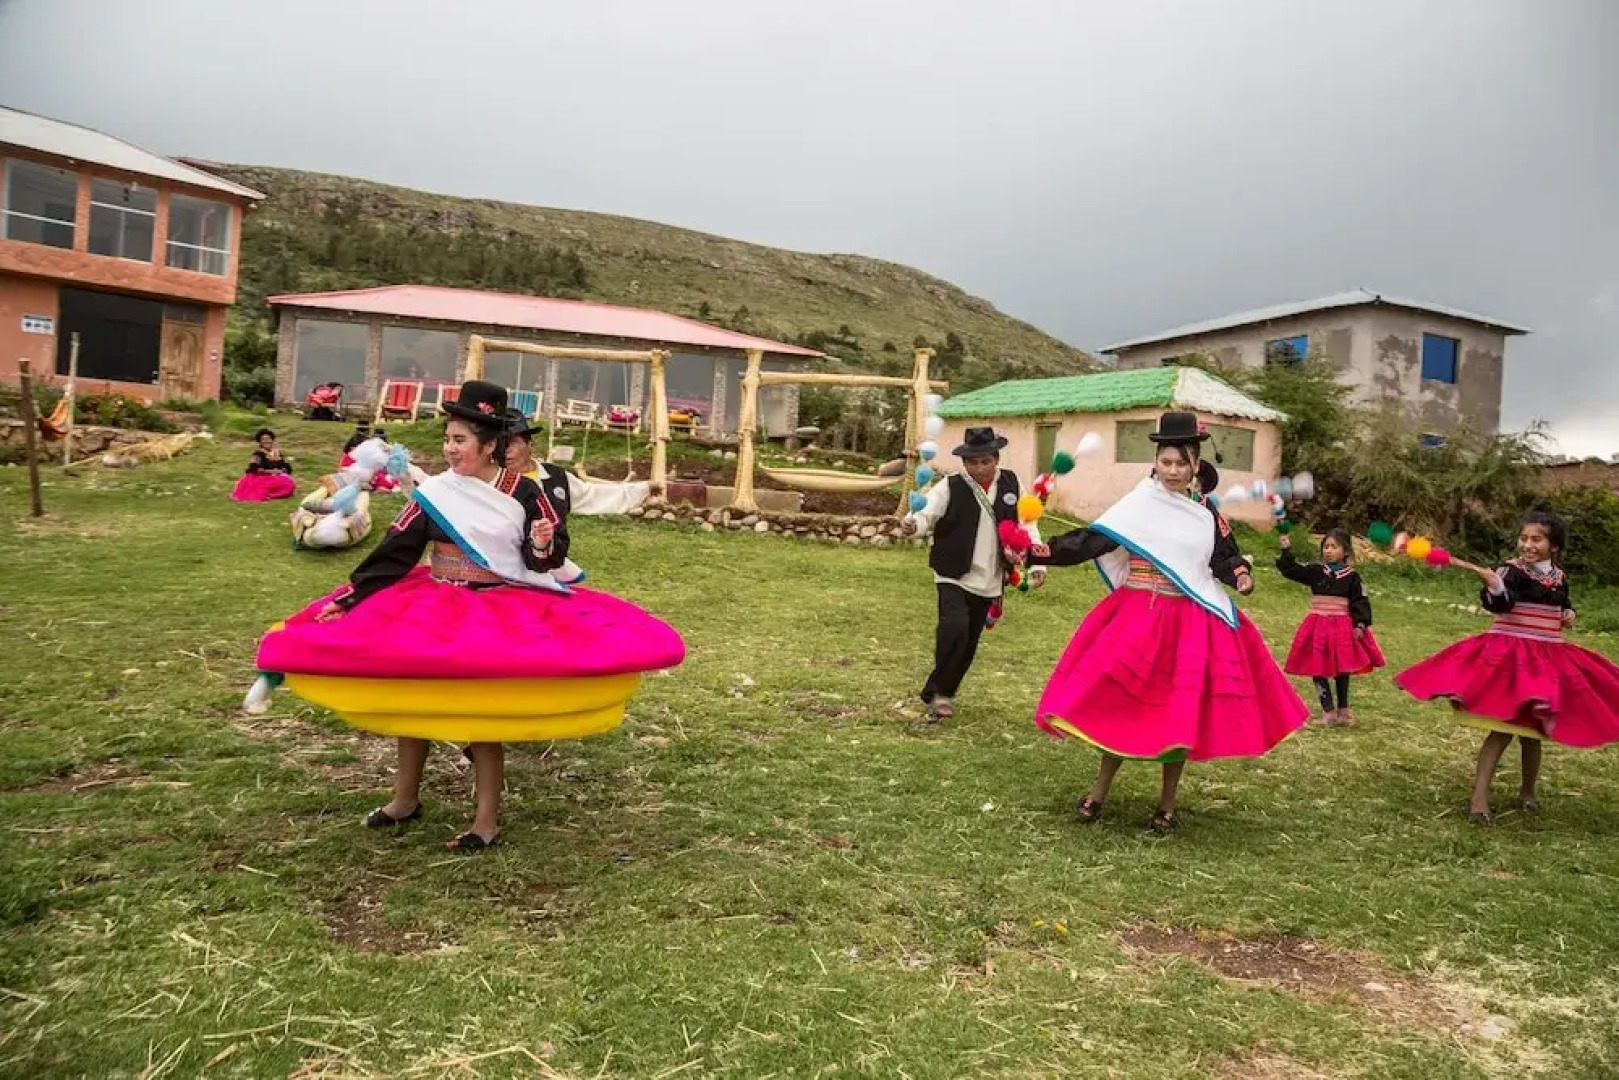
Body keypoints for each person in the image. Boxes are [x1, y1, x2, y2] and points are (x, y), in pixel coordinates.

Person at [250, 381, 685, 851]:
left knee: (481, 710)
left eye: (460, 440)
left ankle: (485, 821)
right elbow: (395, 551)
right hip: (436, 601)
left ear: (490, 445)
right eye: (448, 438)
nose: (450, 448)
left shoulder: (526, 494)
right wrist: (352, 597)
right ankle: (404, 800)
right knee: (412, 693)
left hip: (496, 605)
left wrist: (540, 542)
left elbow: (547, 557)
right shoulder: (436, 493)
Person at [1015, 412, 1308, 834]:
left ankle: (1167, 805)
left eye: (1180, 463)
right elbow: (1092, 541)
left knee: (1178, 713)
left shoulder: (1207, 513)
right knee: (1119, 700)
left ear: (1194, 466)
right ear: (1156, 462)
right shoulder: (1138, 503)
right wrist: (1038, 552)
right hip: (1137, 615)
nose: (1172, 470)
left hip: (1187, 622)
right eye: (1165, 462)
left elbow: (1223, 556)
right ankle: (1099, 791)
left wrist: (1239, 575)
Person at [1395, 509, 1619, 825]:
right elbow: (1501, 605)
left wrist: (1568, 614)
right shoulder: (1510, 572)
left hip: (1546, 660)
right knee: (1501, 731)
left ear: (1553, 546)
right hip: (1511, 660)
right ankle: (1478, 800)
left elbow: (1561, 605)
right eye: (1524, 538)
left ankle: (1528, 793)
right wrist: (1495, 586)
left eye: (1536, 539)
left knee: (1533, 734)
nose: (1528, 545)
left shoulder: (1559, 577)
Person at [899, 426, 1043, 721]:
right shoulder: (950, 485)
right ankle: (938, 694)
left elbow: (1028, 523)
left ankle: (943, 691)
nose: (979, 468)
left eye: (985, 461)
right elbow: (928, 513)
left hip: (990, 578)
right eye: (973, 462)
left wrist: (1037, 563)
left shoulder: (1012, 485)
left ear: (996, 458)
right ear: (964, 462)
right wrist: (914, 525)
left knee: (969, 642)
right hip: (953, 573)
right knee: (954, 629)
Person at [1276, 527, 1384, 725]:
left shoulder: (1353, 578)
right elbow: (1290, 570)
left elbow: (1360, 601)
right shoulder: (1316, 572)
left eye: (1334, 547)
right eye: (1326, 546)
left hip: (1342, 628)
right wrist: (1285, 550)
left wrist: (1360, 624)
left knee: (1342, 670)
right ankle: (1328, 712)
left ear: (1345, 552)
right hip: (1318, 627)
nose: (1328, 550)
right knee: (1317, 667)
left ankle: (1344, 711)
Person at [502, 408, 651, 518]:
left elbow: (592, 495)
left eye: (513, 442)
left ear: (531, 445)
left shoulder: (555, 477)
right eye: (500, 443)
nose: (505, 450)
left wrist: (644, 489)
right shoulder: (491, 478)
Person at [231, 428, 297, 502]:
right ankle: (271, 494)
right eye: (263, 439)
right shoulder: (258, 454)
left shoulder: (277, 453)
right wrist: (271, 472)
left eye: (268, 438)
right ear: (260, 442)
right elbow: (254, 468)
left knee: (288, 482)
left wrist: (281, 470)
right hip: (260, 477)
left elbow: (286, 468)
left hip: (276, 476)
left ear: (272, 440)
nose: (266, 441)